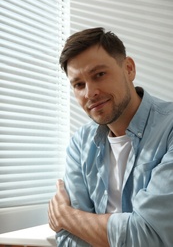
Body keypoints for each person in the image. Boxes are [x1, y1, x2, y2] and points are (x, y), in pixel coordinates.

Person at [48, 27, 173, 247]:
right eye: (78, 84)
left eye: (99, 75)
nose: (90, 93)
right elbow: (68, 238)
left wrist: (64, 216)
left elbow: (150, 235)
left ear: (129, 69)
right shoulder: (80, 144)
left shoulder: (169, 128)